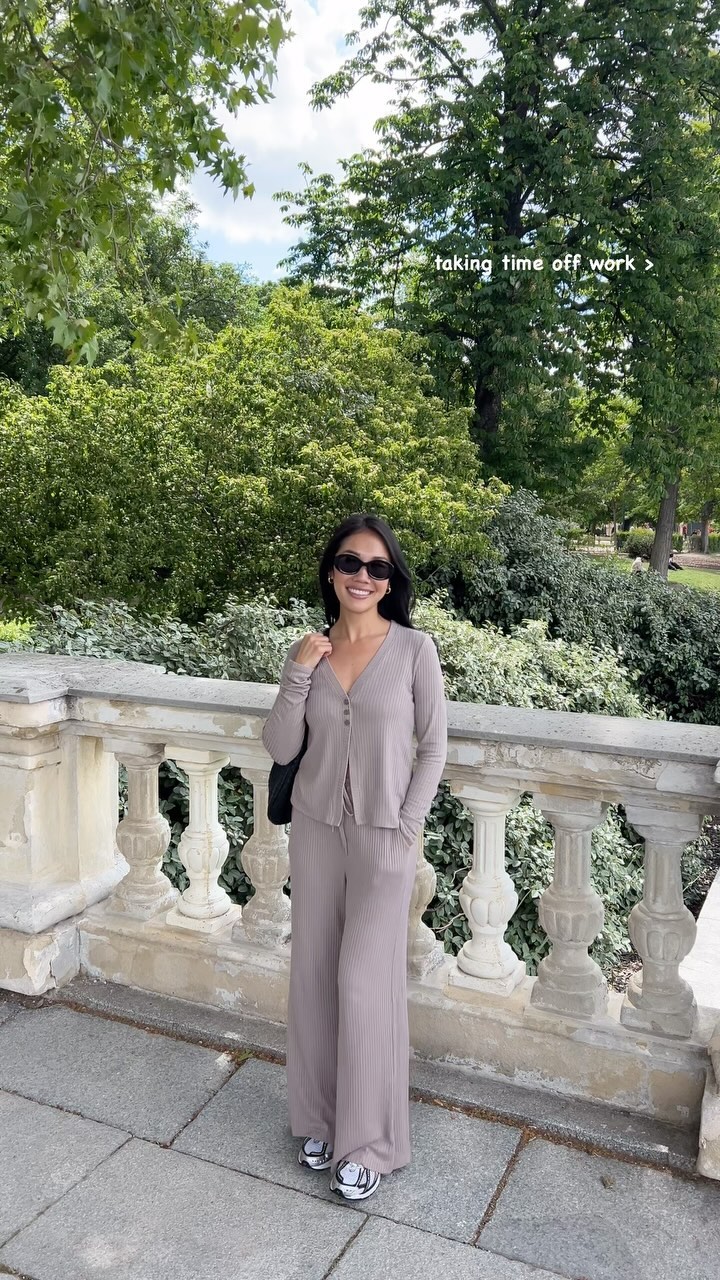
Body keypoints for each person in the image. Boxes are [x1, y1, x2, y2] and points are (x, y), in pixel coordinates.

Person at [262, 512, 447, 1202]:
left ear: (391, 580)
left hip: (383, 839)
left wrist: (407, 826)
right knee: (313, 975)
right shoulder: (310, 651)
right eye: (349, 563)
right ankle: (317, 1120)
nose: (362, 576)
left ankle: (369, 1142)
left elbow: (434, 746)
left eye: (377, 567)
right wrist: (297, 673)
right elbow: (281, 746)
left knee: (365, 984)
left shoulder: (415, 649)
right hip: (314, 832)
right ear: (331, 573)